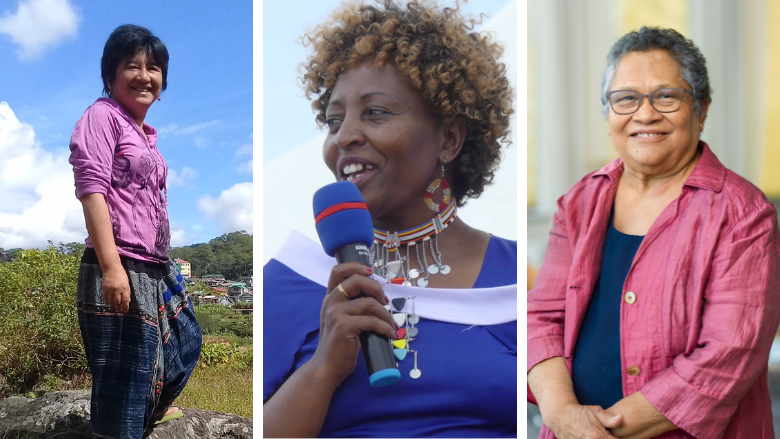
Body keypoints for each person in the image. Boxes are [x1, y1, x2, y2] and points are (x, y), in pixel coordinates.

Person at [263, 0, 517, 437]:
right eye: (333, 120)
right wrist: (323, 368)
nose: (344, 136)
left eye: (375, 112)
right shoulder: (284, 284)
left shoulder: (519, 279)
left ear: (449, 138)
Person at [527, 26, 780, 439]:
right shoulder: (579, 201)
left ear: (701, 109)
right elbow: (541, 320)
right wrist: (562, 415)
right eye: (626, 98)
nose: (644, 115)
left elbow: (728, 355)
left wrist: (596, 432)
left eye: (666, 96)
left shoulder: (743, 213)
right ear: (608, 114)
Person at [68, 24, 201, 439]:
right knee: (124, 381)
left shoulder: (145, 134)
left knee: (186, 340)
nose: (145, 75)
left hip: (154, 267)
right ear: (111, 77)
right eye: (132, 66)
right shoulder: (102, 116)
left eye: (154, 68)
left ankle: (150, 412)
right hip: (120, 260)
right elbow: (92, 191)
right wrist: (111, 267)